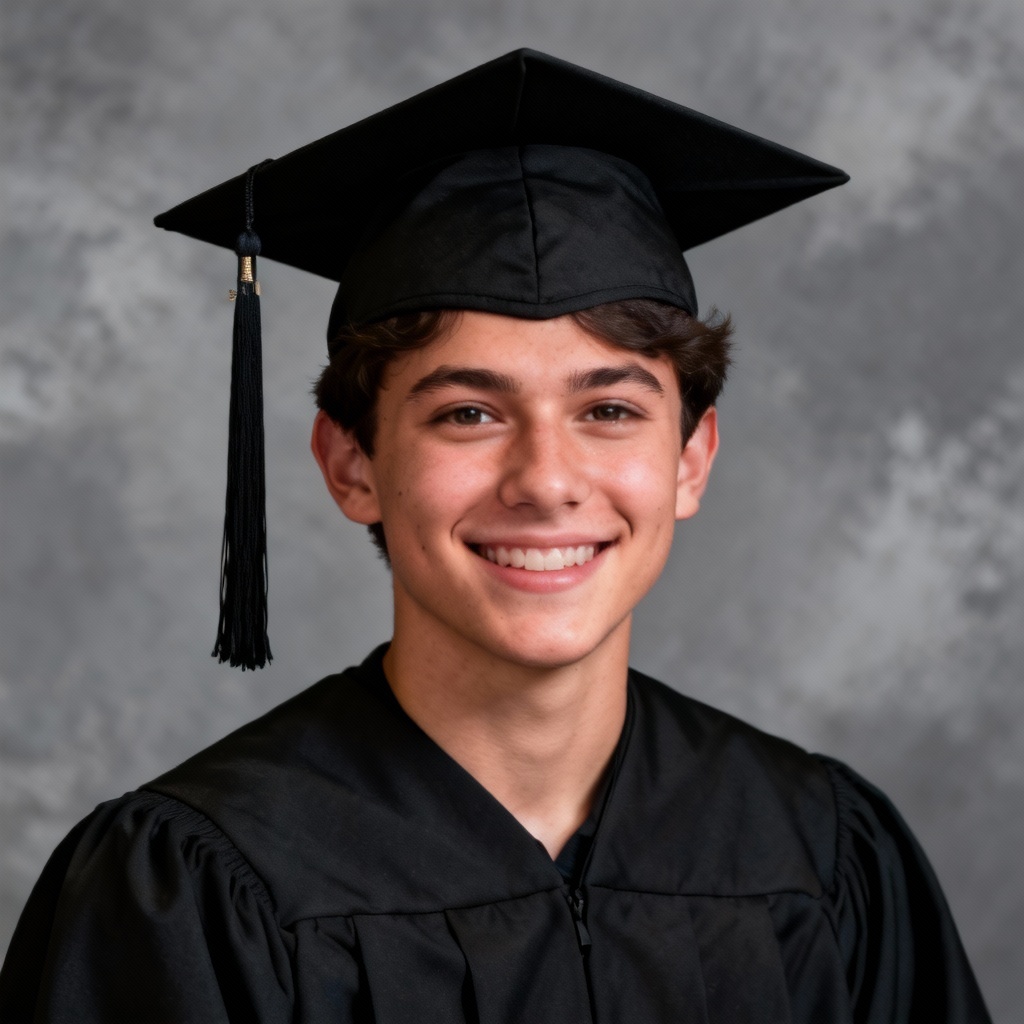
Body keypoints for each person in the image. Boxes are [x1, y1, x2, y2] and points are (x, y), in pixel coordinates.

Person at [0, 49, 990, 1023]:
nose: (547, 482)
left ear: (690, 458)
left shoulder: (820, 852)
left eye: (608, 411)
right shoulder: (196, 886)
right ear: (352, 464)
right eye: (469, 413)